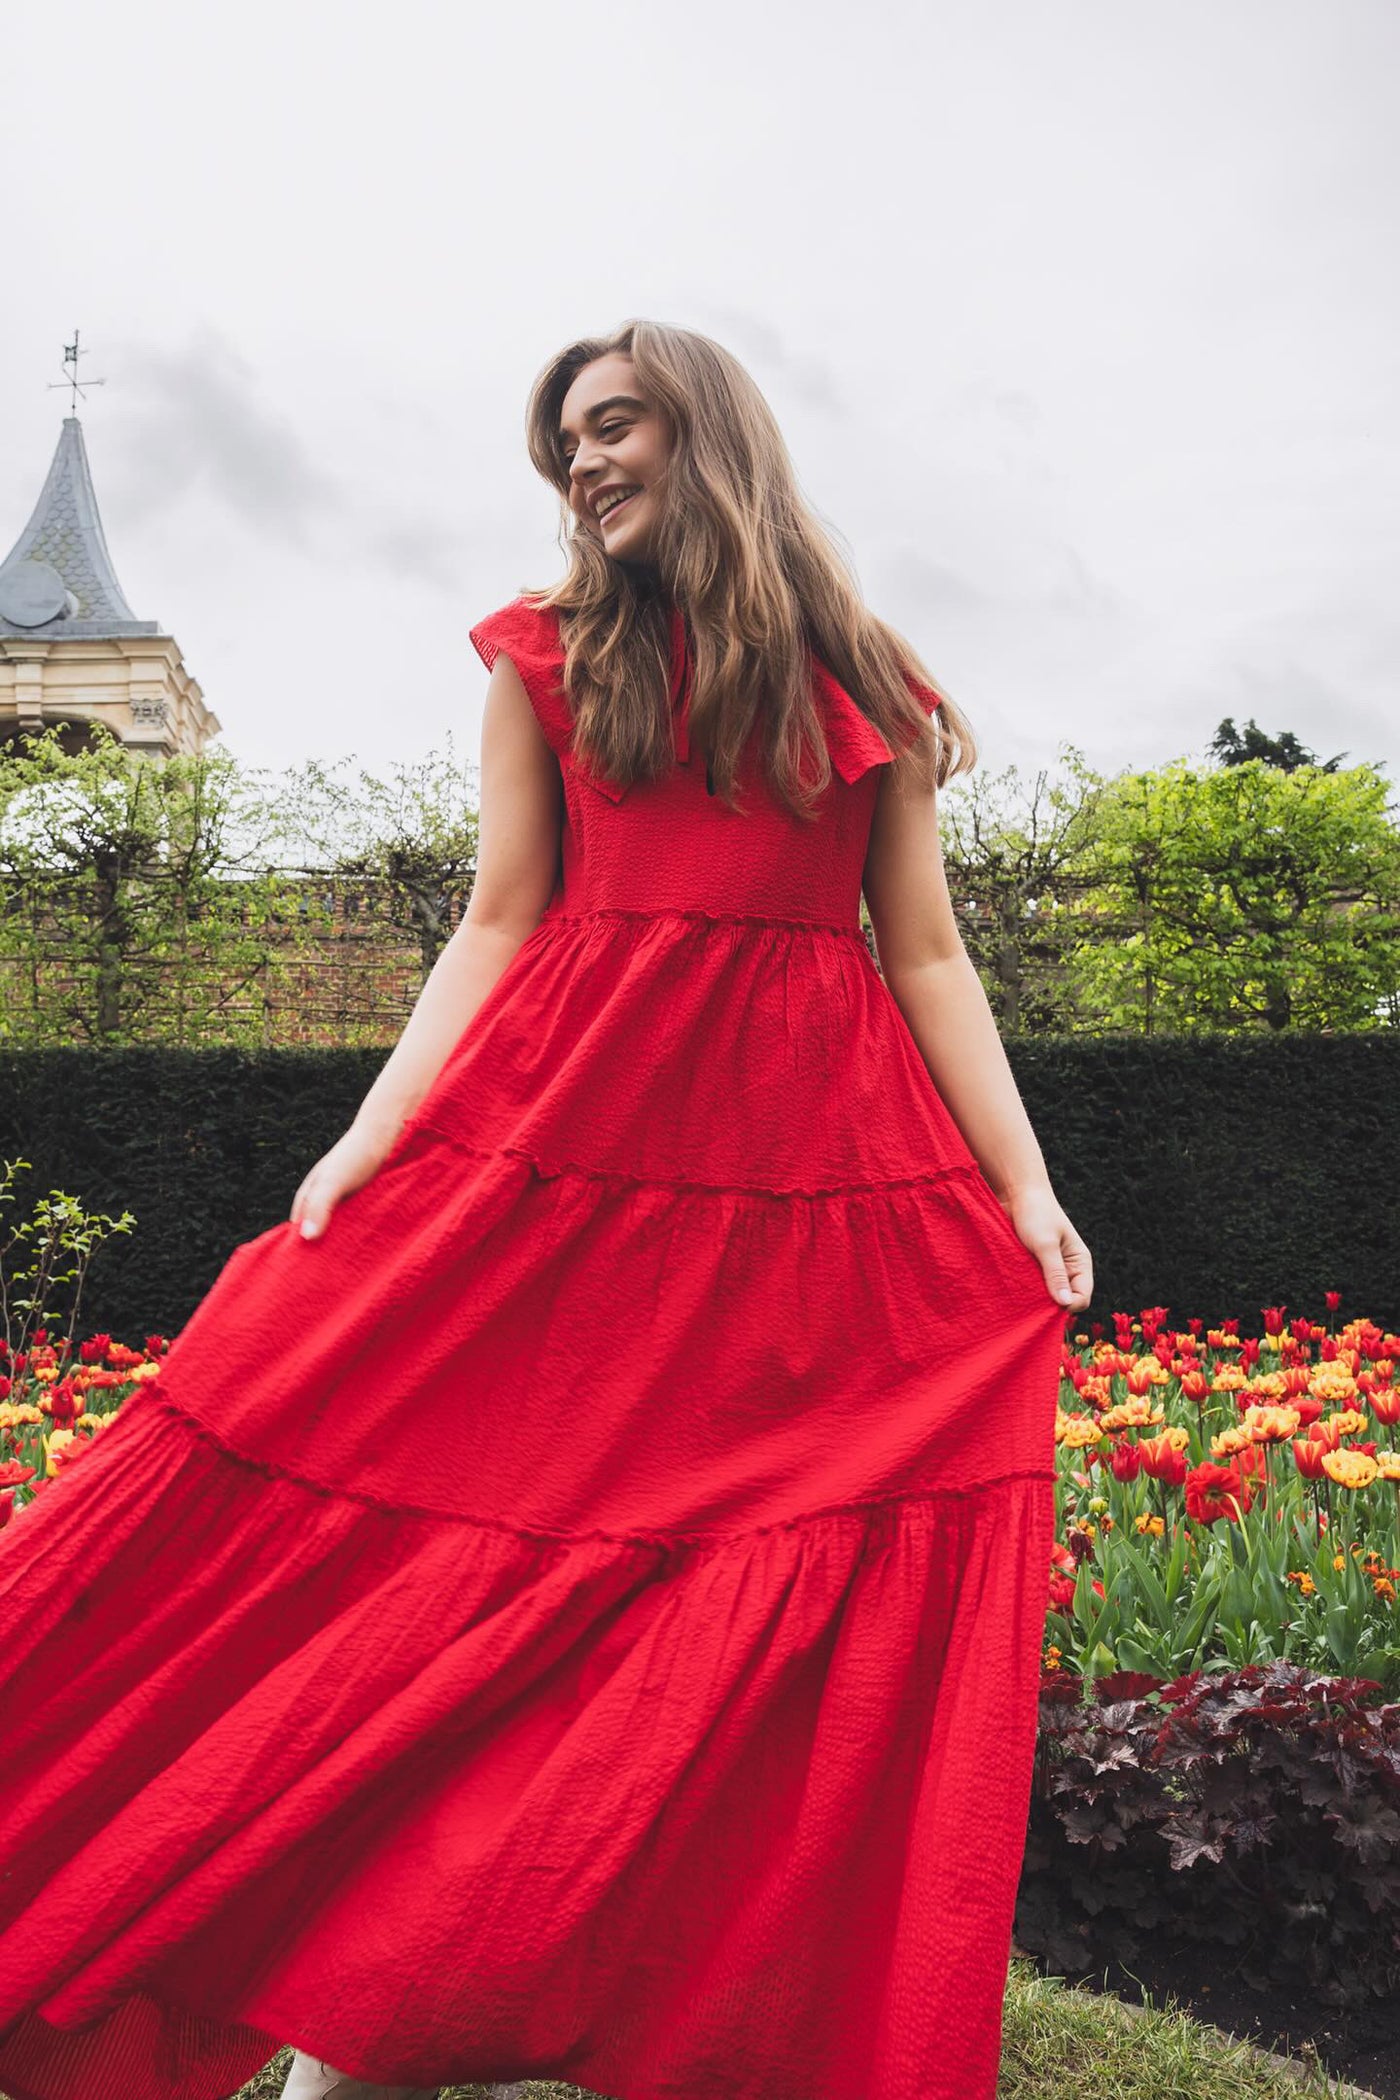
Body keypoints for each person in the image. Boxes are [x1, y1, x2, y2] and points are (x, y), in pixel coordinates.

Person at [0, 317, 1092, 2100]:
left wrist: (1025, 1188)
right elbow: (500, 921)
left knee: (692, 1592)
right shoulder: (546, 656)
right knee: (460, 1551)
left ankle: (525, 1980)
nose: (581, 466)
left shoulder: (864, 676)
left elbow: (930, 951)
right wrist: (367, 1139)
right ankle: (353, 2015)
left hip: (806, 1194)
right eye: (564, 444)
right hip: (569, 1163)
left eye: (610, 428)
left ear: (706, 432)